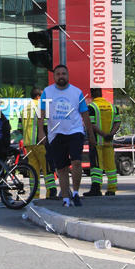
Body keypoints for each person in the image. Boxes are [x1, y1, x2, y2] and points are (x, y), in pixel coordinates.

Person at [40, 64, 96, 208]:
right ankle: (65, 197)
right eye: (58, 74)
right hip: (56, 134)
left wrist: (91, 135)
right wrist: (41, 132)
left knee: (76, 162)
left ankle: (75, 193)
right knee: (62, 168)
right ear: (54, 76)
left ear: (68, 75)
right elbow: (41, 113)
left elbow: (85, 115)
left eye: (63, 74)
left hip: (75, 132)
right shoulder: (47, 92)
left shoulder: (77, 92)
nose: (61, 76)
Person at [22, 87, 57, 199]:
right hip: (41, 143)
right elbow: (46, 125)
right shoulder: (42, 106)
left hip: (28, 144)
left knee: (33, 171)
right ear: (38, 96)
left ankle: (35, 194)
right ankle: (50, 192)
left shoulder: (25, 108)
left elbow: (20, 127)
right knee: (47, 167)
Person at [86, 87, 121, 196]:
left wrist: (102, 134)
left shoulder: (92, 107)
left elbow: (91, 124)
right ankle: (112, 189)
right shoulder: (112, 107)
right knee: (111, 166)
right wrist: (111, 134)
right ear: (101, 93)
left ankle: (96, 189)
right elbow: (117, 122)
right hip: (109, 142)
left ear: (92, 94)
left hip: (97, 142)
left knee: (96, 166)